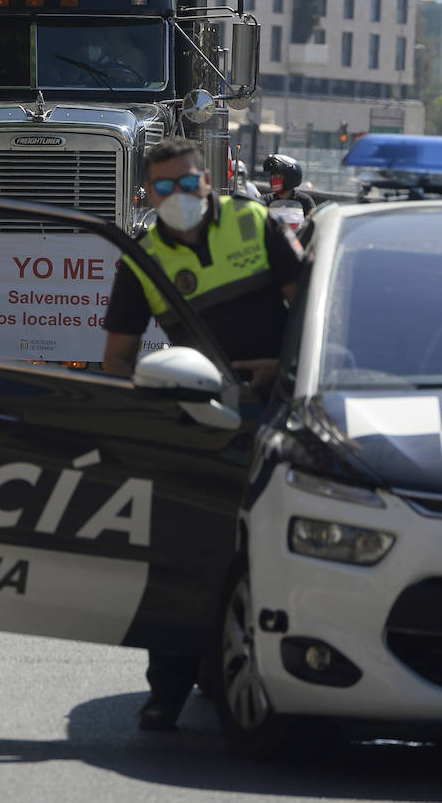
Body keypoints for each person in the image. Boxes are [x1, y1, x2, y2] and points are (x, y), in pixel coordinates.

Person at [102, 135, 305, 731]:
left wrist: (282, 369)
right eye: (165, 187)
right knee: (182, 555)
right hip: (200, 414)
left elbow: (312, 306)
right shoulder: (141, 258)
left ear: (208, 180)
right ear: (147, 193)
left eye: (189, 182)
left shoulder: (256, 223)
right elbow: (116, 358)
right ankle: (166, 688)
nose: (179, 195)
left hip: (279, 408)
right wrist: (148, 412)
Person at [262, 153, 315, 218]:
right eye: (272, 176)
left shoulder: (305, 200)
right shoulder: (265, 200)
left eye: (278, 176)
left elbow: (312, 220)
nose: (274, 179)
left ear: (291, 178)